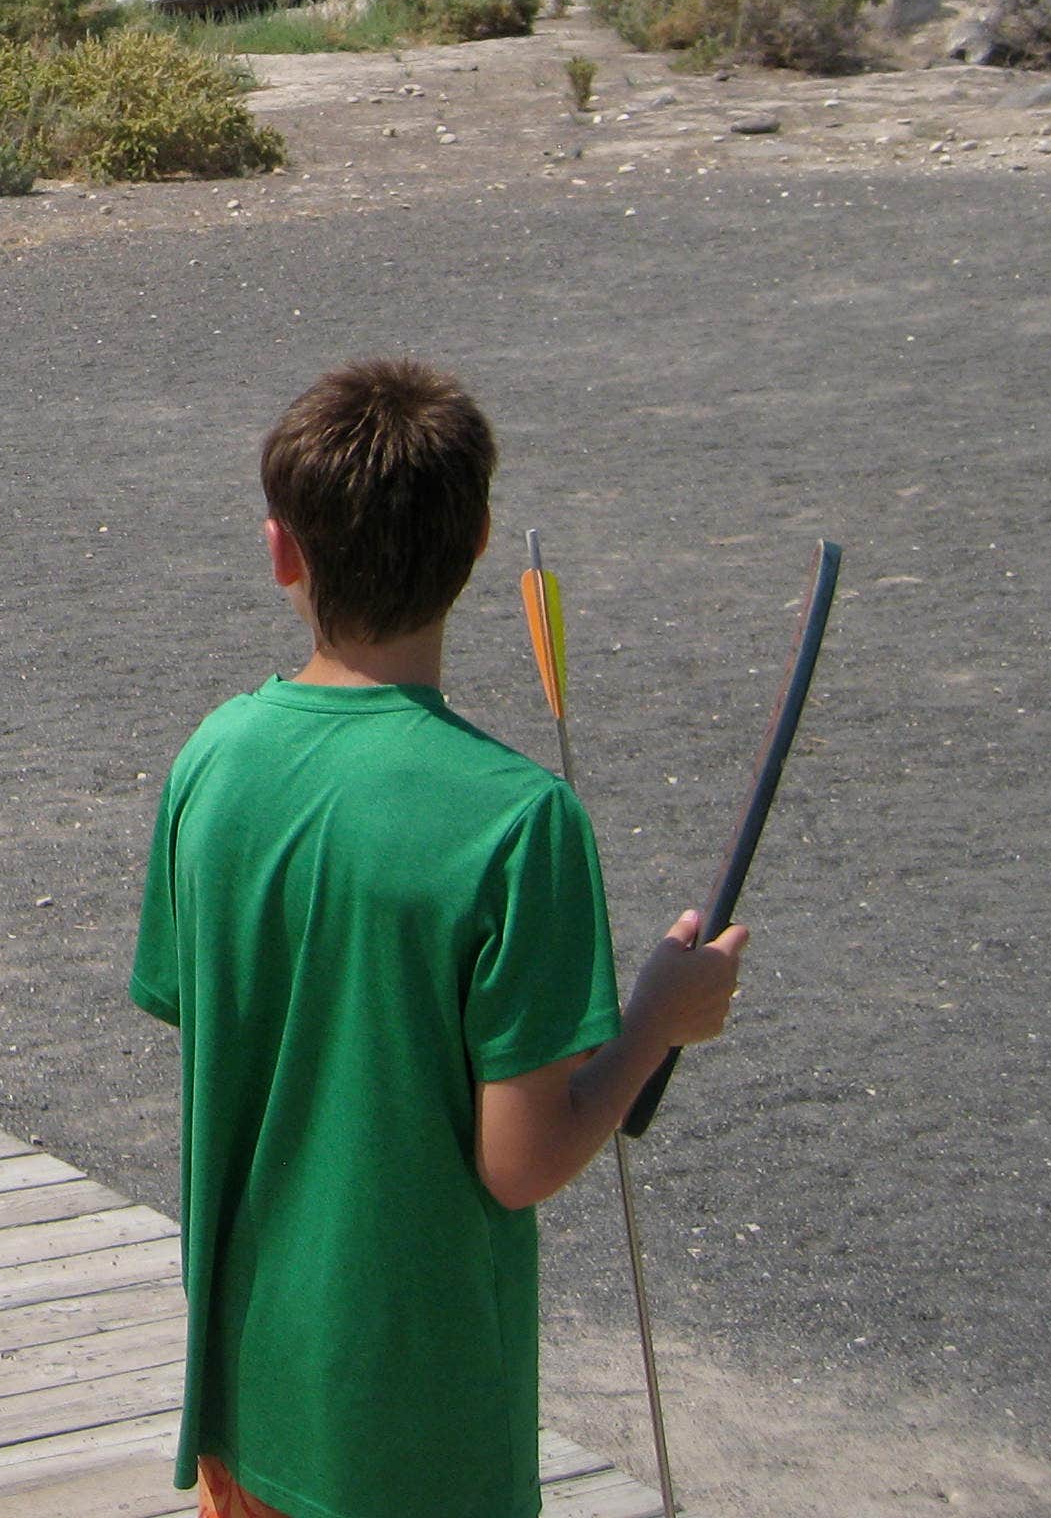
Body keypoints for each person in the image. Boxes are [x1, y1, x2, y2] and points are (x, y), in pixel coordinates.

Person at [131, 359, 747, 1518]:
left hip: (248, 1403)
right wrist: (657, 1020)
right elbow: (520, 1162)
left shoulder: (211, 762)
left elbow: (201, 1006)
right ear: (472, 554)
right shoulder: (519, 820)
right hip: (417, 1438)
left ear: (282, 552)